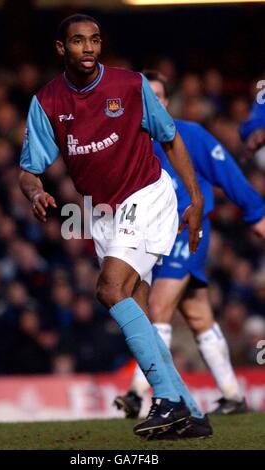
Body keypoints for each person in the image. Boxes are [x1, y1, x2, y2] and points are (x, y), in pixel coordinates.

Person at [18, 14, 209, 440]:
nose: (88, 48)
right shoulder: (47, 102)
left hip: (146, 193)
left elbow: (171, 137)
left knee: (108, 290)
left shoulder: (129, 85)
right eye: (78, 41)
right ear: (61, 48)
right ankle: (191, 412)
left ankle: (167, 400)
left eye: (95, 40)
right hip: (102, 212)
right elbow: (29, 170)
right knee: (136, 307)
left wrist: (194, 198)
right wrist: (34, 192)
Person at [114, 70, 265, 419]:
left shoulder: (191, 135)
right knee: (198, 315)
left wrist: (256, 213)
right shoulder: (126, 144)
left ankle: (138, 392)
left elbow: (229, 175)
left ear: (167, 102)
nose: (153, 103)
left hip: (187, 232)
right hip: (149, 237)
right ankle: (232, 395)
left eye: (159, 96)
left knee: (160, 306)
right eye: (145, 97)